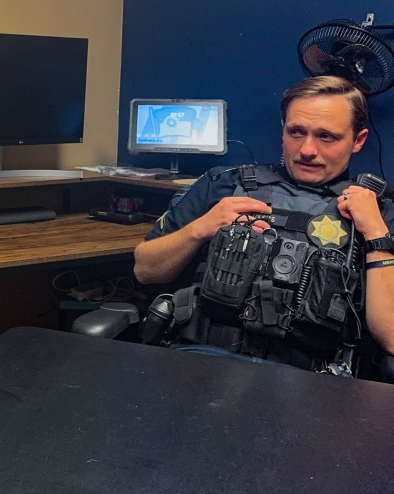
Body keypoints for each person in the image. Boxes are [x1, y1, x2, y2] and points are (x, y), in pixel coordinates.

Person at [133, 75, 394, 375]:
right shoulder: (223, 184)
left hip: (311, 385)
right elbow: (145, 270)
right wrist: (201, 228)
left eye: (326, 137)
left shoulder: (380, 213)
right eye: (296, 132)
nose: (307, 150)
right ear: (282, 130)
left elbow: (390, 339)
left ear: (358, 140)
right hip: (199, 362)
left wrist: (375, 235)